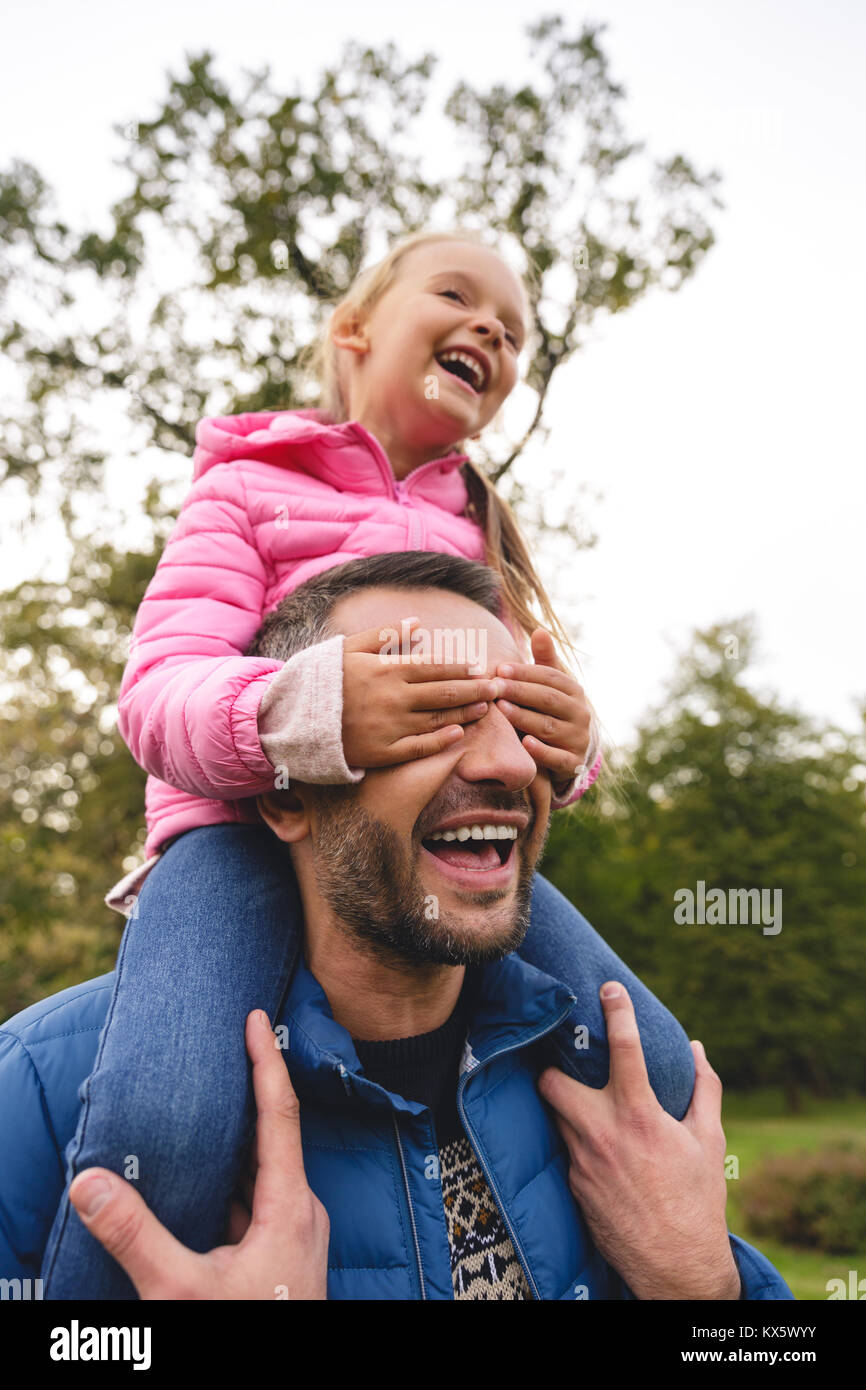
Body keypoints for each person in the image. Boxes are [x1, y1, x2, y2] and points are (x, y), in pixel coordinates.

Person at [37, 229, 698, 1300]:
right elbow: (156, 698)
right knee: (168, 1113)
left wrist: (568, 748)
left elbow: (511, 721)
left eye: (514, 331)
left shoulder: (474, 527)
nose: (491, 327)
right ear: (353, 330)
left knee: (654, 1067)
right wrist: (310, 713)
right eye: (456, 294)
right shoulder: (245, 491)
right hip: (234, 837)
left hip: (430, 849)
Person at [0, 555, 793, 1300]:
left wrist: (703, 1285)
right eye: (434, 713)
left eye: (524, 720)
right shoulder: (38, 1090)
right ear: (285, 795)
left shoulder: (618, 1112)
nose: (512, 765)